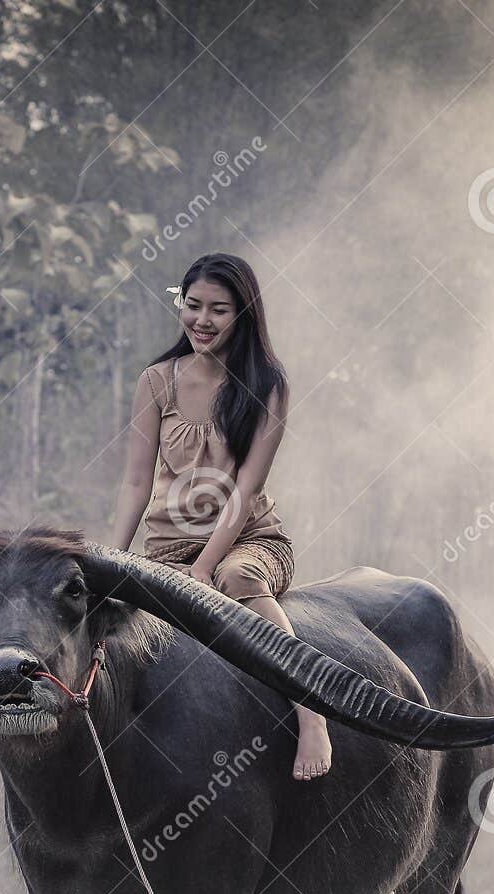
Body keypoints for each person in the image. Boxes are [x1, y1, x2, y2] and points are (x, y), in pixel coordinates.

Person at [107, 252, 333, 779]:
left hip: (246, 543)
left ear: (244, 316)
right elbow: (136, 481)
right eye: (193, 306)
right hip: (166, 550)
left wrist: (207, 568)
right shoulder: (156, 381)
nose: (202, 321)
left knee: (237, 576)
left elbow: (246, 488)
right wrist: (115, 561)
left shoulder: (267, 384)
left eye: (219, 310)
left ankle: (312, 712)